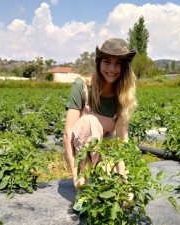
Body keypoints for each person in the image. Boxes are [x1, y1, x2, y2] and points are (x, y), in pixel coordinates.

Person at [64, 38, 137, 210]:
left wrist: (122, 180)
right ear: (98, 63)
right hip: (82, 156)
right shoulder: (82, 87)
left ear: (125, 67)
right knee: (89, 122)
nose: (112, 69)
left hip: (106, 152)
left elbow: (121, 142)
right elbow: (68, 134)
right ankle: (87, 182)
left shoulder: (123, 94)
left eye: (118, 63)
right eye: (107, 62)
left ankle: (103, 177)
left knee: (125, 198)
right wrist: (76, 175)